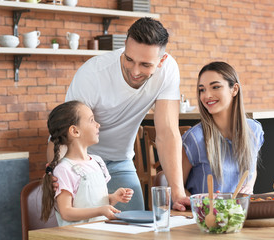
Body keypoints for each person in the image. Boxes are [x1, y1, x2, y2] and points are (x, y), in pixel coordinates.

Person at [47, 17, 189, 211]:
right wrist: (58, 172)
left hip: (120, 161)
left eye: (146, 65)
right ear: (124, 47)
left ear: (162, 61)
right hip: (81, 163)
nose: (135, 71)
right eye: (129, 59)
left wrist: (178, 192)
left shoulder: (168, 71)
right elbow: (65, 133)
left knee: (138, 225)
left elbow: (167, 133)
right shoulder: (93, 74)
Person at [41, 100, 134, 226]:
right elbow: (66, 212)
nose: (98, 125)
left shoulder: (97, 162)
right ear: (75, 131)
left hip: (100, 232)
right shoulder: (64, 169)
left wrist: (113, 198)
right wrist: (101, 210)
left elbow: (96, 203)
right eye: (91, 120)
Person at [182, 62, 264, 195]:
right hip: (205, 215)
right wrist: (201, 205)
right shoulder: (194, 139)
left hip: (242, 214)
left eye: (215, 87)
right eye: (202, 89)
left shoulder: (253, 130)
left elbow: (251, 168)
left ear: (235, 89)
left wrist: (249, 186)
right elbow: (177, 190)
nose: (207, 95)